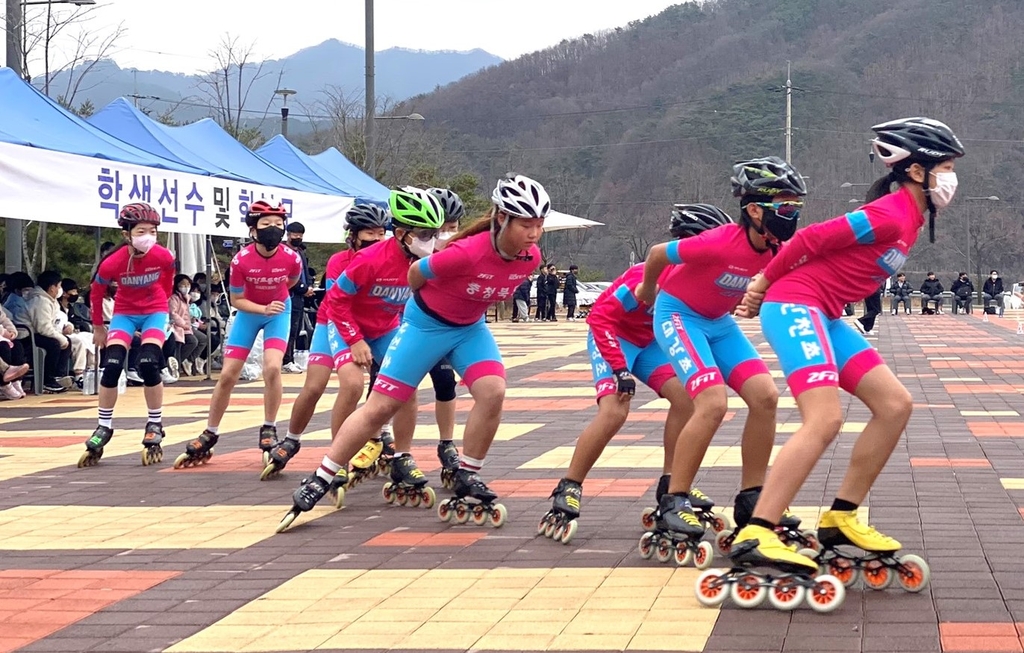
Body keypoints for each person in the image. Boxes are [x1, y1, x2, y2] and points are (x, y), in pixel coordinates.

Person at [730, 116, 963, 576]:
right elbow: (811, 239)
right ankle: (758, 531)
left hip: (827, 313)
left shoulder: (913, 216)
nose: (951, 178)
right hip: (796, 306)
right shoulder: (890, 213)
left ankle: (841, 519)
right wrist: (761, 282)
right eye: (946, 167)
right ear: (916, 171)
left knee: (895, 404)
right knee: (825, 418)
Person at [279, 173, 549, 531]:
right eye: (526, 224)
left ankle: (468, 472)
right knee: (380, 407)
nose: (533, 234)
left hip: (469, 330)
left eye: (539, 225)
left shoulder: (531, 259)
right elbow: (415, 275)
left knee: (493, 391)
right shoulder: (463, 253)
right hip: (425, 327)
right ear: (502, 218)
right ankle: (322, 475)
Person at [637, 160, 804, 552]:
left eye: (796, 207)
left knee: (766, 397)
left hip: (718, 322)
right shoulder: (719, 241)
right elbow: (658, 252)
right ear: (754, 210)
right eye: (784, 207)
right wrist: (648, 290)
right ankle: (674, 499)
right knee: (712, 403)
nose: (792, 215)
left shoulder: (777, 248)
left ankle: (752, 498)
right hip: (678, 315)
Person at [539, 205, 732, 545]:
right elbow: (600, 319)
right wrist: (618, 368)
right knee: (615, 410)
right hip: (615, 337)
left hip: (650, 342)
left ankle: (672, 485)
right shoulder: (646, 276)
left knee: (687, 400)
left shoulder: (702, 281)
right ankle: (569, 485)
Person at [174, 200, 302, 468]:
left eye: (279, 225)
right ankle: (211, 431)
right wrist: (262, 307)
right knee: (229, 375)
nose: (274, 230)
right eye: (266, 225)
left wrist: (274, 304)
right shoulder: (241, 260)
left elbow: (290, 282)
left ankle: (269, 427)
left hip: (278, 312)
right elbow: (237, 300)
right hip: (250, 312)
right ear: (253, 230)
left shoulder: (291, 257)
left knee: (272, 369)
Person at [274, 203, 391, 477]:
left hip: (370, 327)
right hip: (335, 322)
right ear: (352, 235)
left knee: (377, 384)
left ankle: (371, 440)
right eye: (369, 233)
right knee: (318, 387)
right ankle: (292, 438)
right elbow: (340, 305)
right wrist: (354, 340)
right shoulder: (340, 261)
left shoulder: (390, 257)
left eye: (380, 233)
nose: (375, 239)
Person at [82, 203, 177, 466]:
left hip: (154, 311)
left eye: (153, 231)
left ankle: (155, 422)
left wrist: (163, 303)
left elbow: (169, 278)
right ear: (127, 234)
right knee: (111, 365)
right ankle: (103, 425)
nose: (149, 236)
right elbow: (96, 293)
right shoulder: (113, 262)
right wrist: (99, 327)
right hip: (124, 312)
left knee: (148, 362)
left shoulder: (163, 256)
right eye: (142, 231)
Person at [26, 271, 73, 394]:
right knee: (54, 344)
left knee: (67, 341)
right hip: (29, 336)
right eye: (59, 286)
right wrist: (60, 338)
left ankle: (59, 376)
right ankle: (47, 380)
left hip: (39, 333)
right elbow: (43, 328)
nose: (60, 289)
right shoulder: (40, 301)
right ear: (52, 288)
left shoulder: (51, 301)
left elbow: (57, 319)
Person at [283, 221, 313, 373]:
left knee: (295, 328)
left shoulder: (300, 252)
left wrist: (309, 286)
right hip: (290, 294)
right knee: (288, 328)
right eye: (295, 235)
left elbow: (305, 273)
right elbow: (287, 276)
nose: (298, 238)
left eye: (300, 235)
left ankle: (290, 359)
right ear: (288, 235)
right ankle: (285, 360)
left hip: (300, 297)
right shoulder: (283, 252)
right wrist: (303, 288)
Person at [167, 274, 201, 375]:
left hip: (186, 326)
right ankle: (176, 363)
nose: (186, 287)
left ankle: (182, 361)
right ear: (177, 285)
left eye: (188, 284)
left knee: (197, 340)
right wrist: (184, 324)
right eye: (183, 284)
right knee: (191, 341)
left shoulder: (186, 298)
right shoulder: (174, 298)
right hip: (177, 326)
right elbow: (173, 314)